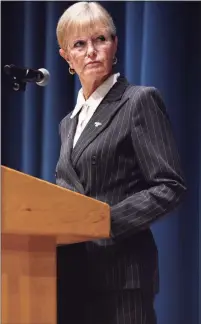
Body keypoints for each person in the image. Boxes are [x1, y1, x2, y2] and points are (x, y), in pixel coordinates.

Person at [55, 2, 186, 324]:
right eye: (79, 44)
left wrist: (104, 222)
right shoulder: (68, 123)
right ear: (66, 57)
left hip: (121, 274)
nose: (91, 51)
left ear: (115, 44)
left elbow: (169, 186)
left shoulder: (138, 101)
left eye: (100, 39)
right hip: (71, 274)